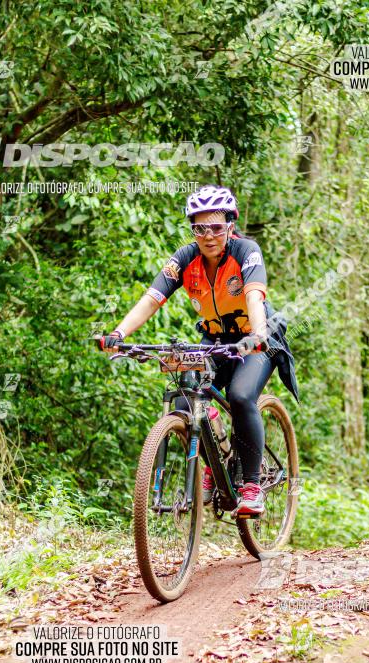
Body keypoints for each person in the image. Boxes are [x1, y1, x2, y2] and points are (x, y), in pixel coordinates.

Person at [99, 185, 298, 517]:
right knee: (184, 397)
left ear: (230, 226)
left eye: (216, 227)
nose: (208, 235)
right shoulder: (184, 258)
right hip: (217, 340)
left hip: (257, 338)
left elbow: (254, 297)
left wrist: (258, 333)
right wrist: (119, 333)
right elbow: (152, 298)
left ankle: (251, 487)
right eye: (200, 228)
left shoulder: (246, 251)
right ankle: (216, 459)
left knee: (240, 395)